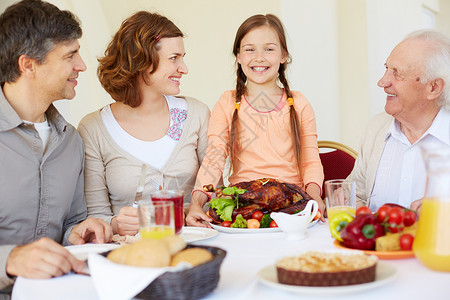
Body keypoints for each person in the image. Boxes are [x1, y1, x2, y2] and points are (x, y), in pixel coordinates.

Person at [0, 0, 113, 296]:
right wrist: (9, 260)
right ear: (28, 65)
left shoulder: (71, 142)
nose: (82, 65)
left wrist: (77, 233)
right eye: (70, 55)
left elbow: (72, 223)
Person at [77, 11, 210, 236]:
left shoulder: (196, 113)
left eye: (182, 57)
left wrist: (169, 215)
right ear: (142, 60)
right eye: (174, 58)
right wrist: (118, 224)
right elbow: (96, 217)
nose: (184, 68)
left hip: (195, 248)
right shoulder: (93, 128)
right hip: (130, 257)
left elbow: (216, 195)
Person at [186, 14, 325, 227]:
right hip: (243, 203)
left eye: (269, 49)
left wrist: (314, 196)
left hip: (291, 205)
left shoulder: (299, 103)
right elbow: (214, 159)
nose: (259, 57)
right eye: (250, 49)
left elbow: (311, 161)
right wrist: (197, 203)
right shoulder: (227, 102)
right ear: (238, 56)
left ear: (283, 56)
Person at [348, 29, 450, 212]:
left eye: (397, 73)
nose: (382, 82)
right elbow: (353, 194)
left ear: (433, 87)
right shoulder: (376, 128)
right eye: (386, 68)